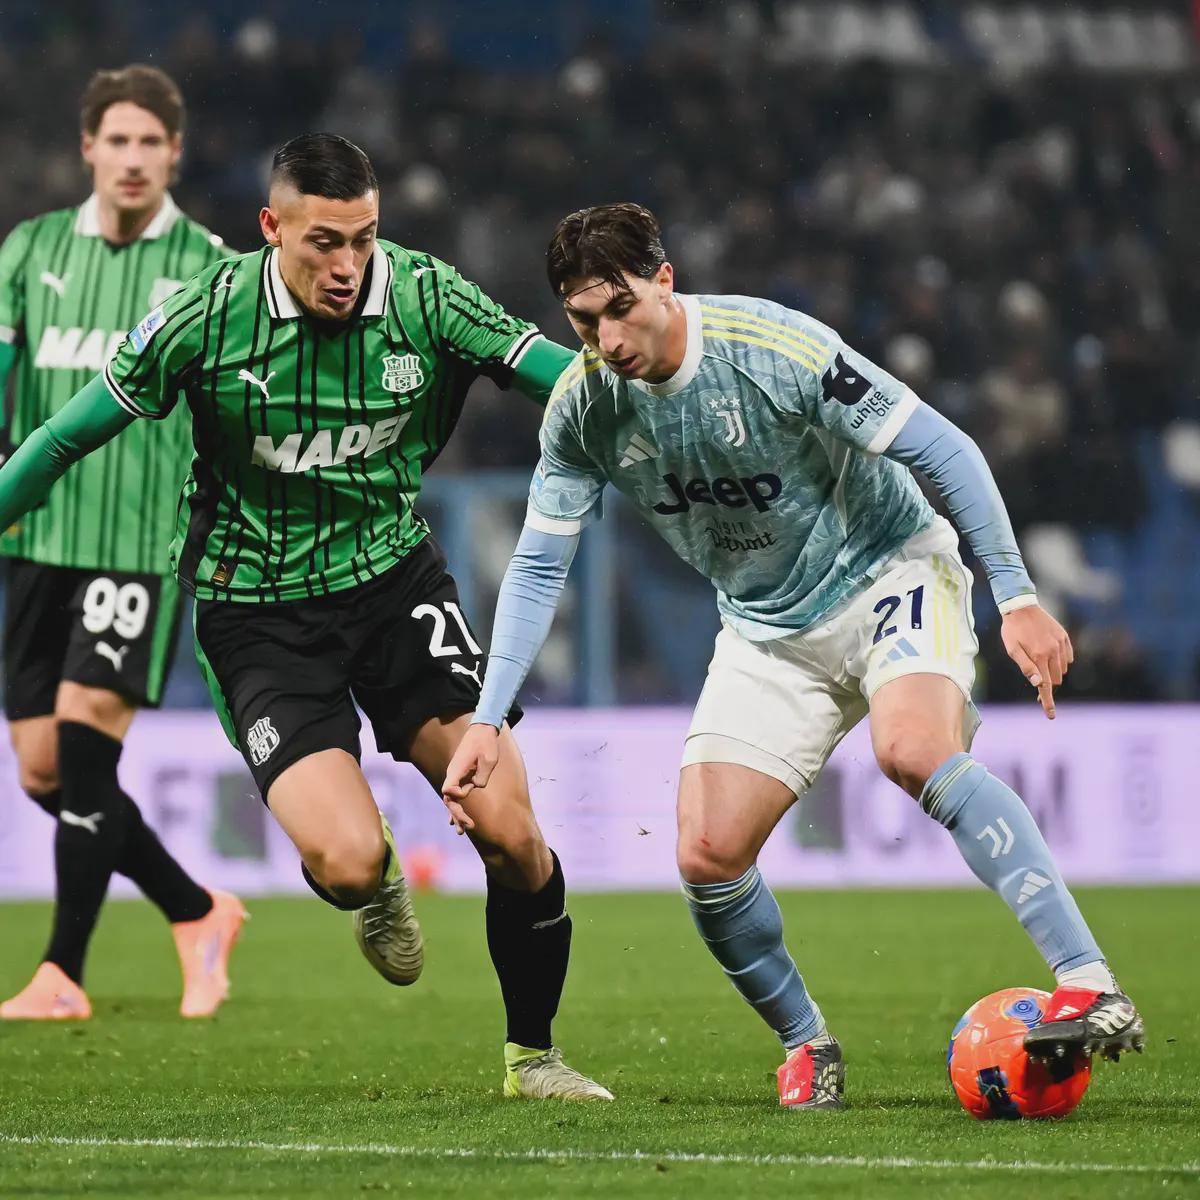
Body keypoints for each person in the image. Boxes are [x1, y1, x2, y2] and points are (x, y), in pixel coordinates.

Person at [442, 202, 1144, 1109]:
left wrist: (1014, 595)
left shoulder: (772, 348)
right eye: (583, 321)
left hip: (888, 570)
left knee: (912, 748)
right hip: (765, 628)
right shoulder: (583, 407)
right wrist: (488, 717)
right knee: (705, 853)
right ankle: (807, 1043)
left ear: (664, 279)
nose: (607, 340)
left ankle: (1088, 982)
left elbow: (945, 448)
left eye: (620, 308)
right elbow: (540, 565)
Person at [0, 133, 611, 1101]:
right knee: (346, 860)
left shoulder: (425, 294)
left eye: (364, 239)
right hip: (257, 614)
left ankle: (533, 1059)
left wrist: (652, 397)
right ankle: (377, 884)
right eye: (325, 242)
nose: (348, 265)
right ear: (271, 228)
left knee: (510, 829)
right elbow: (67, 434)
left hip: (394, 585)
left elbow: (555, 374)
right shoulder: (206, 316)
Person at [0, 65, 244, 1022]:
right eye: (118, 140)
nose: (133, 158)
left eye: (151, 142)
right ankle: (195, 908)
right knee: (42, 770)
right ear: (88, 149)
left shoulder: (212, 268)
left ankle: (62, 973)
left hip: (136, 545)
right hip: (35, 537)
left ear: (175, 153)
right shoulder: (30, 250)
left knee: (84, 750)